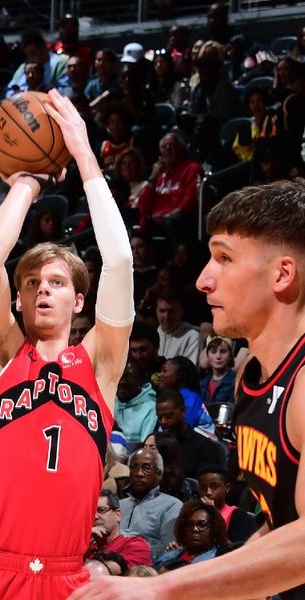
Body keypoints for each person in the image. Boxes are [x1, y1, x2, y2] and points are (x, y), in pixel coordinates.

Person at [0, 87, 133, 599]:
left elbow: (120, 262)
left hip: (66, 574)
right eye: (31, 283)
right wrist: (28, 181)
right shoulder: (0, 353)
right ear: (20, 301)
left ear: (79, 302)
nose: (42, 289)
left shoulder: (99, 363)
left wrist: (84, 155)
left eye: (56, 282)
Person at [74, 181, 305, 600]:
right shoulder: (253, 374)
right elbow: (282, 524)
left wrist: (163, 588)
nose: (203, 280)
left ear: (282, 274)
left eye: (224, 258)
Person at [155, 389, 223, 478]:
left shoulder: (203, 445)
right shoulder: (155, 443)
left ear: (183, 411)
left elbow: (205, 483)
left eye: (168, 416)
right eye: (160, 418)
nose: (163, 422)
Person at [153, 499, 228, 571]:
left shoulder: (219, 559)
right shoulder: (169, 556)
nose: (194, 529)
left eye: (202, 525)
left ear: (214, 529)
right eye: (190, 524)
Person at [85, 490, 151, 568]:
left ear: (118, 515)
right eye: (91, 512)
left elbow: (119, 574)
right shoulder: (86, 546)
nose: (95, 517)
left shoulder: (136, 545)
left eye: (101, 510)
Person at [197, 465, 254, 543]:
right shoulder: (193, 513)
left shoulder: (237, 515)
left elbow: (235, 550)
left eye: (214, 487)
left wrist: (214, 514)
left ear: (227, 488)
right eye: (203, 487)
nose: (208, 492)